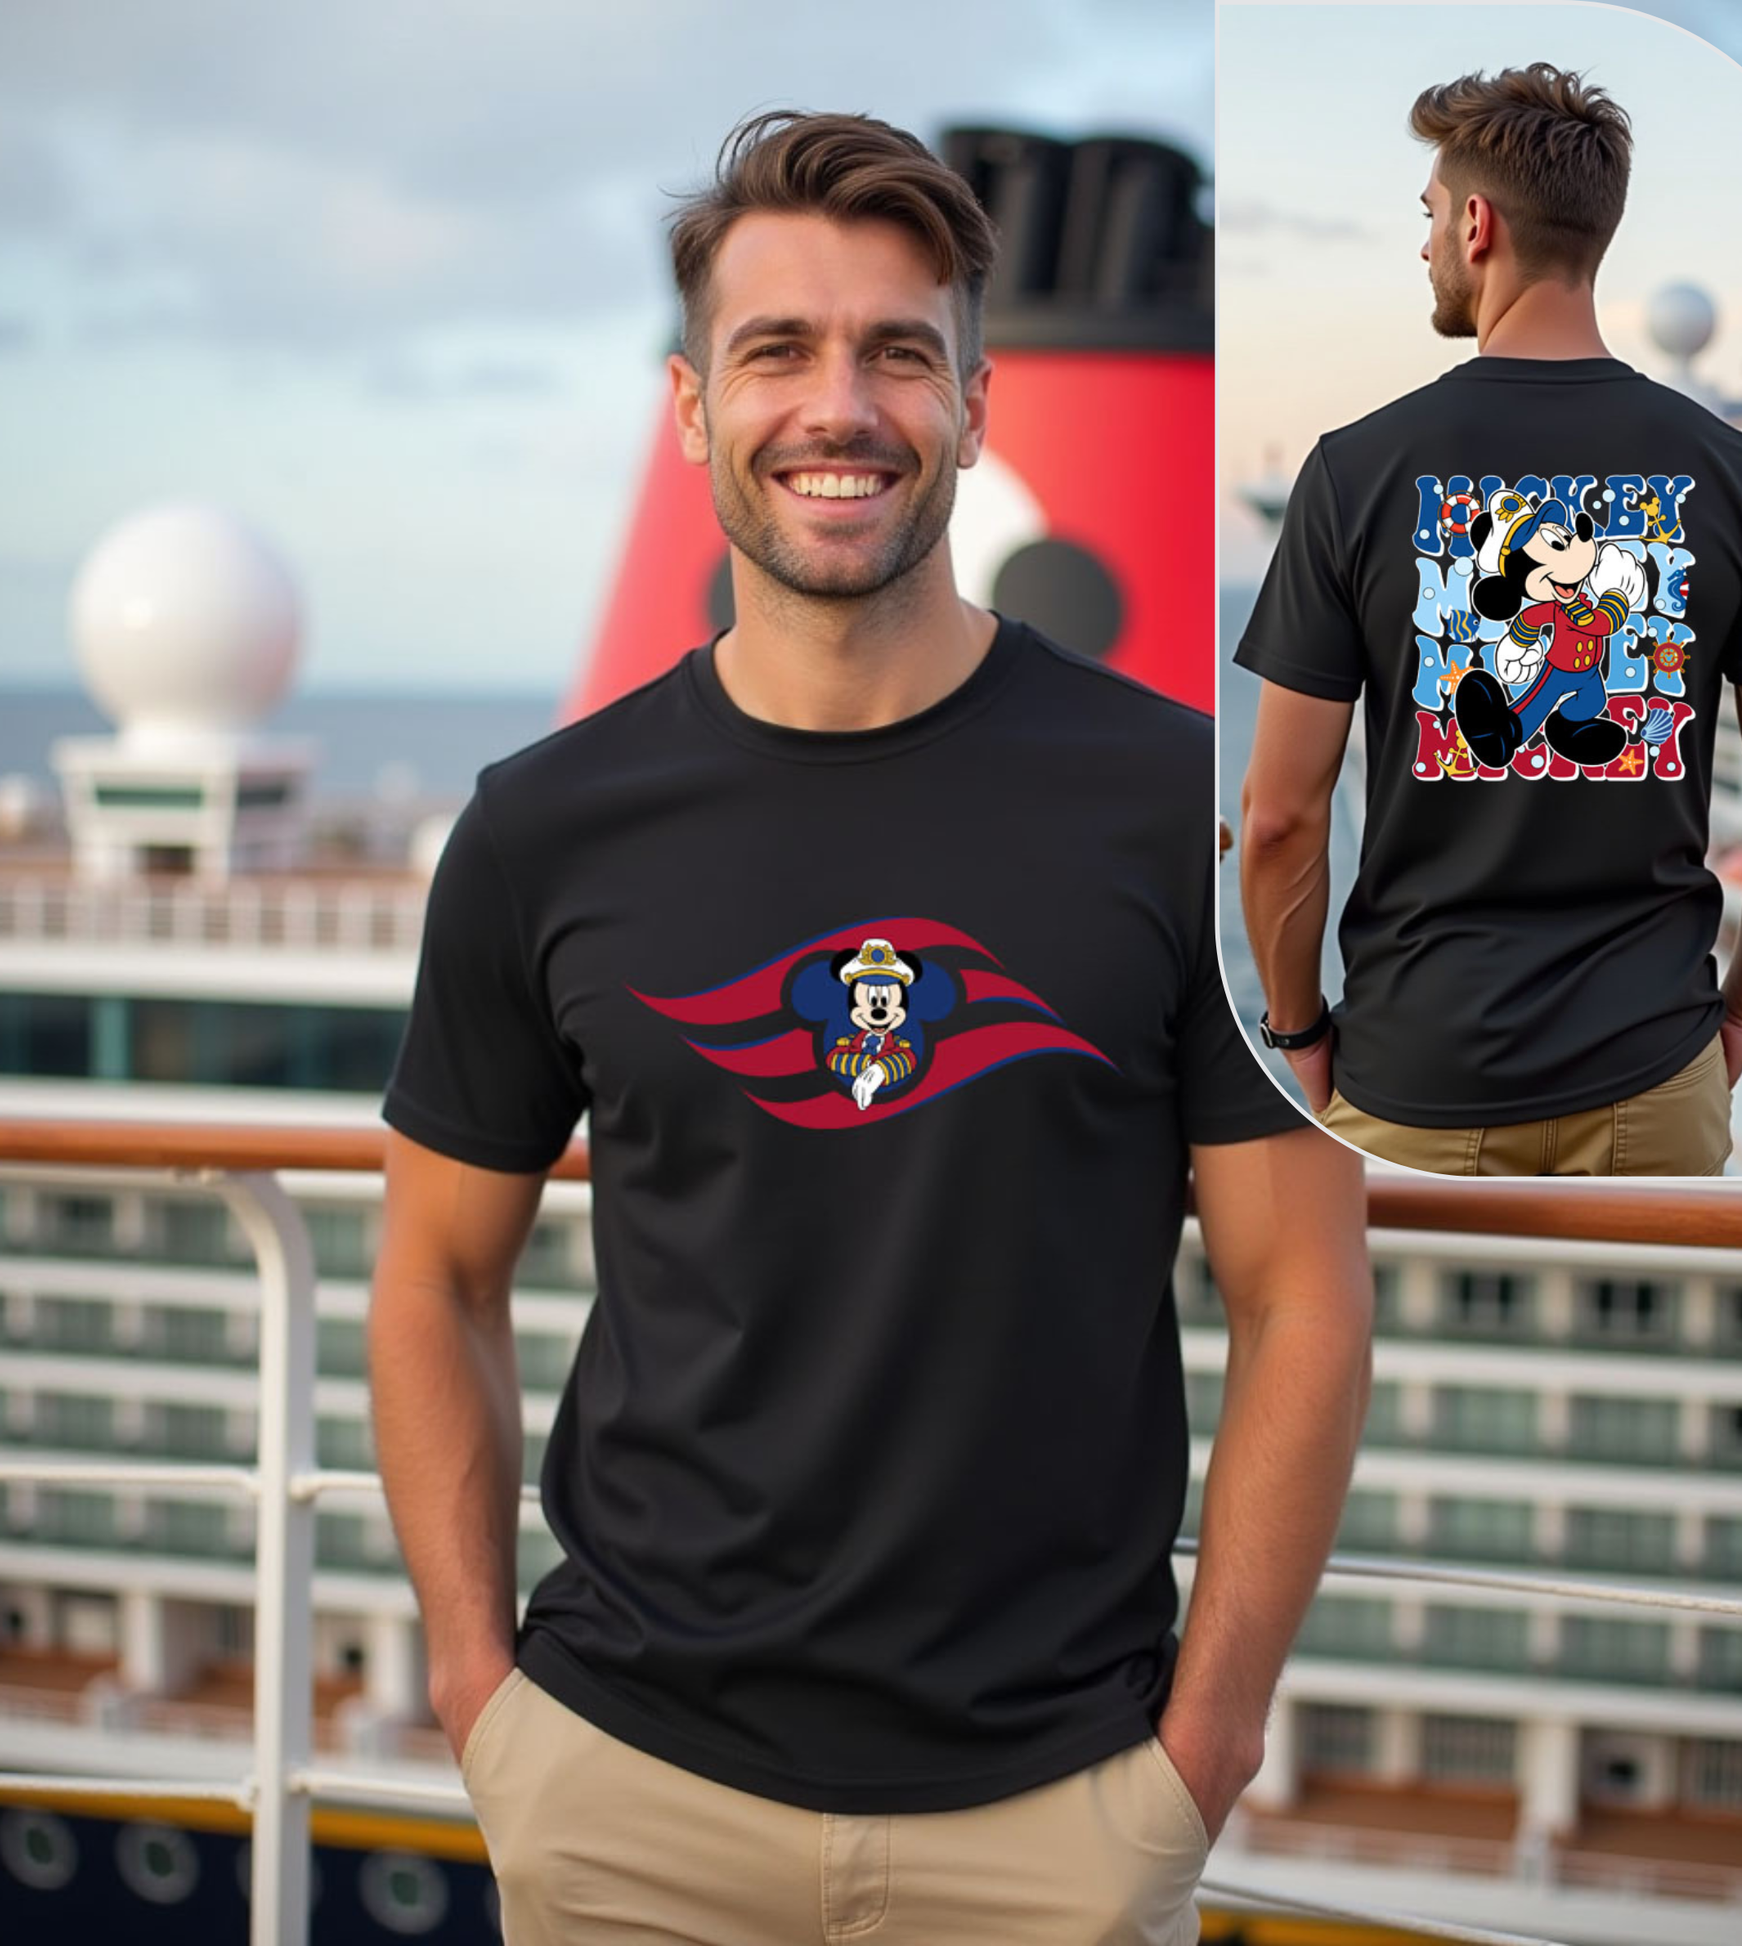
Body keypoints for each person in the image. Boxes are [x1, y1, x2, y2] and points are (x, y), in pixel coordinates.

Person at [371, 108, 1372, 1946]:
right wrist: (475, 1687)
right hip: (623, 1791)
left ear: (981, 407)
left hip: (1050, 1818)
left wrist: (1202, 1746)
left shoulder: (1186, 812)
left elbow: (1302, 1289)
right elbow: (434, 1269)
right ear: (691, 409)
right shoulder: (542, 826)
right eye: (778, 350)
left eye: (899, 352)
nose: (839, 404)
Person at [1235, 64, 1742, 1176]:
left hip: (1412, 1069)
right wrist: (1739, 1020)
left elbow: (1274, 816)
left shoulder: (1354, 472)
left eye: (1424, 218)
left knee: (1395, 1346)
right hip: (1657, 1066)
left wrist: (1298, 1030)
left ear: (1475, 222)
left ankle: (1522, 705)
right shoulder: (1739, 477)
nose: (1422, 248)